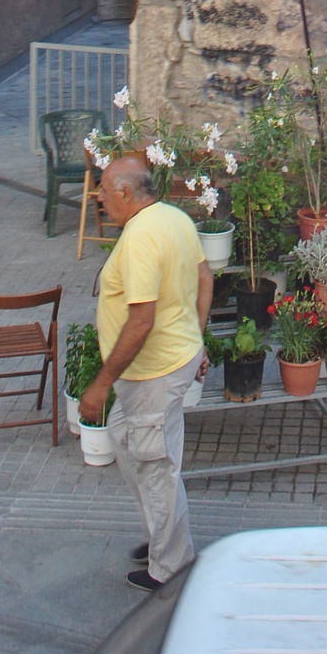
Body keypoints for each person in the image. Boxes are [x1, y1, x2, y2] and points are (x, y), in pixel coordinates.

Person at [79, 153, 214, 590]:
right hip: (168, 363)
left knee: (157, 468)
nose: (99, 198)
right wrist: (196, 338)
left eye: (103, 190)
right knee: (124, 438)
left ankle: (169, 569)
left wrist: (99, 385)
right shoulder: (175, 218)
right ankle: (162, 536)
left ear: (125, 192)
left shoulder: (139, 238)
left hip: (154, 374)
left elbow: (141, 321)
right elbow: (205, 277)